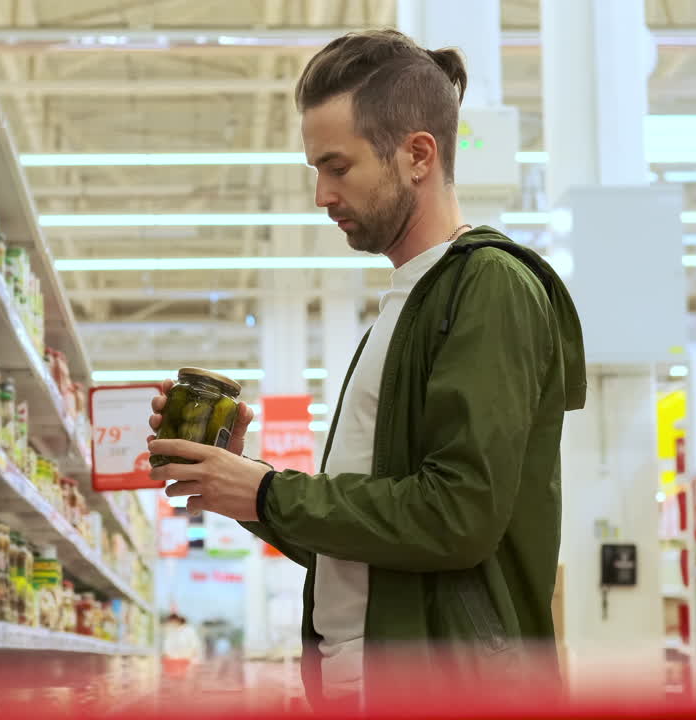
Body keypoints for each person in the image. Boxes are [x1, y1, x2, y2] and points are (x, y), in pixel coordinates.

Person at [147, 28, 585, 710]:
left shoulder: (489, 286)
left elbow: (456, 515)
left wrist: (267, 494)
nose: (322, 194)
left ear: (417, 155)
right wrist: (243, 482)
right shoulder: (405, 304)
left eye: (338, 166)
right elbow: (367, 546)